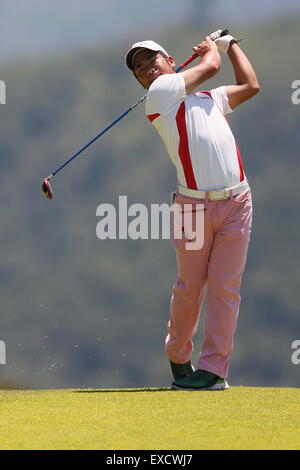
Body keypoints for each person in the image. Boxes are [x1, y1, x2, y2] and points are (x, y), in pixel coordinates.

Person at [125, 31, 260, 390]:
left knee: (225, 289)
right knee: (190, 287)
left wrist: (230, 45)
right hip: (192, 208)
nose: (146, 70)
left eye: (151, 61)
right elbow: (212, 66)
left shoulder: (210, 99)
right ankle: (179, 354)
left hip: (237, 203)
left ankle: (213, 370)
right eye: (139, 69)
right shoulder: (160, 96)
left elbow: (250, 85)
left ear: (170, 60)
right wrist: (213, 50)